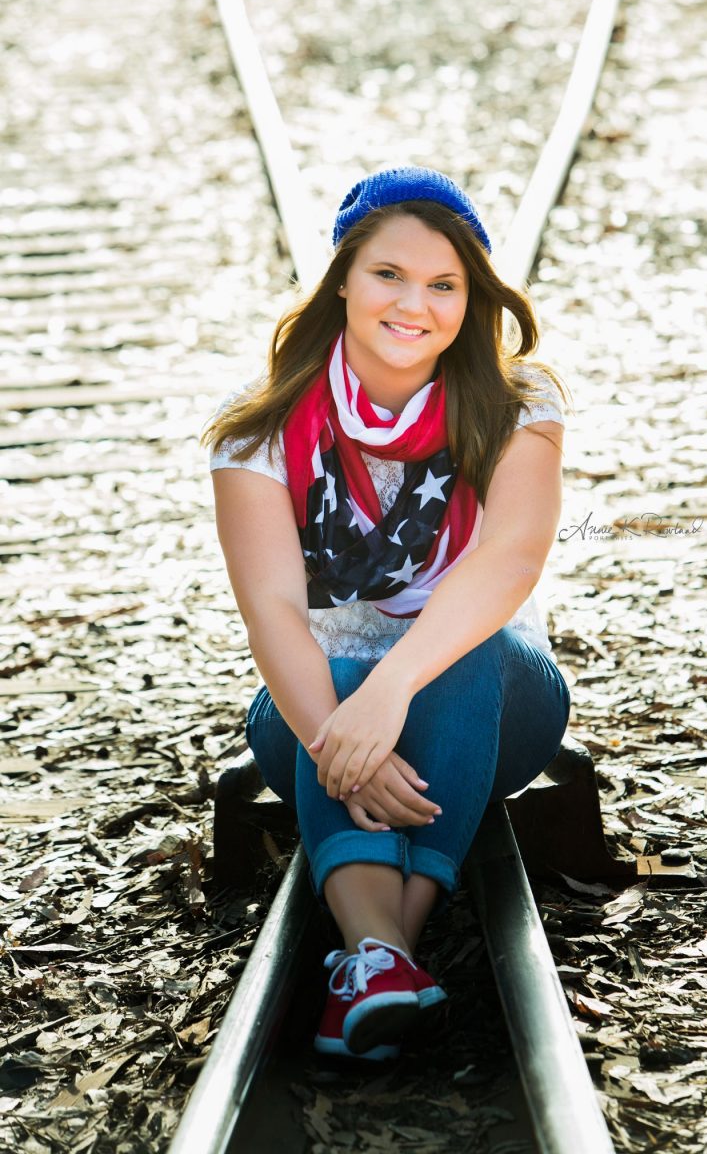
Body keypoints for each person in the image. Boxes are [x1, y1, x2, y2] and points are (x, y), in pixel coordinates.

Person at [203, 166, 571, 1061]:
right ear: (341, 282)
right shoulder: (256, 432)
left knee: (466, 642)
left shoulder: (518, 407)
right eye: (389, 275)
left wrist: (389, 692)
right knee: (329, 669)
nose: (416, 304)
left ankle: (370, 953)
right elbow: (274, 612)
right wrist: (337, 729)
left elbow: (507, 562)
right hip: (311, 709)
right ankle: (387, 955)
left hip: (490, 699)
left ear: (470, 299)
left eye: (444, 285)